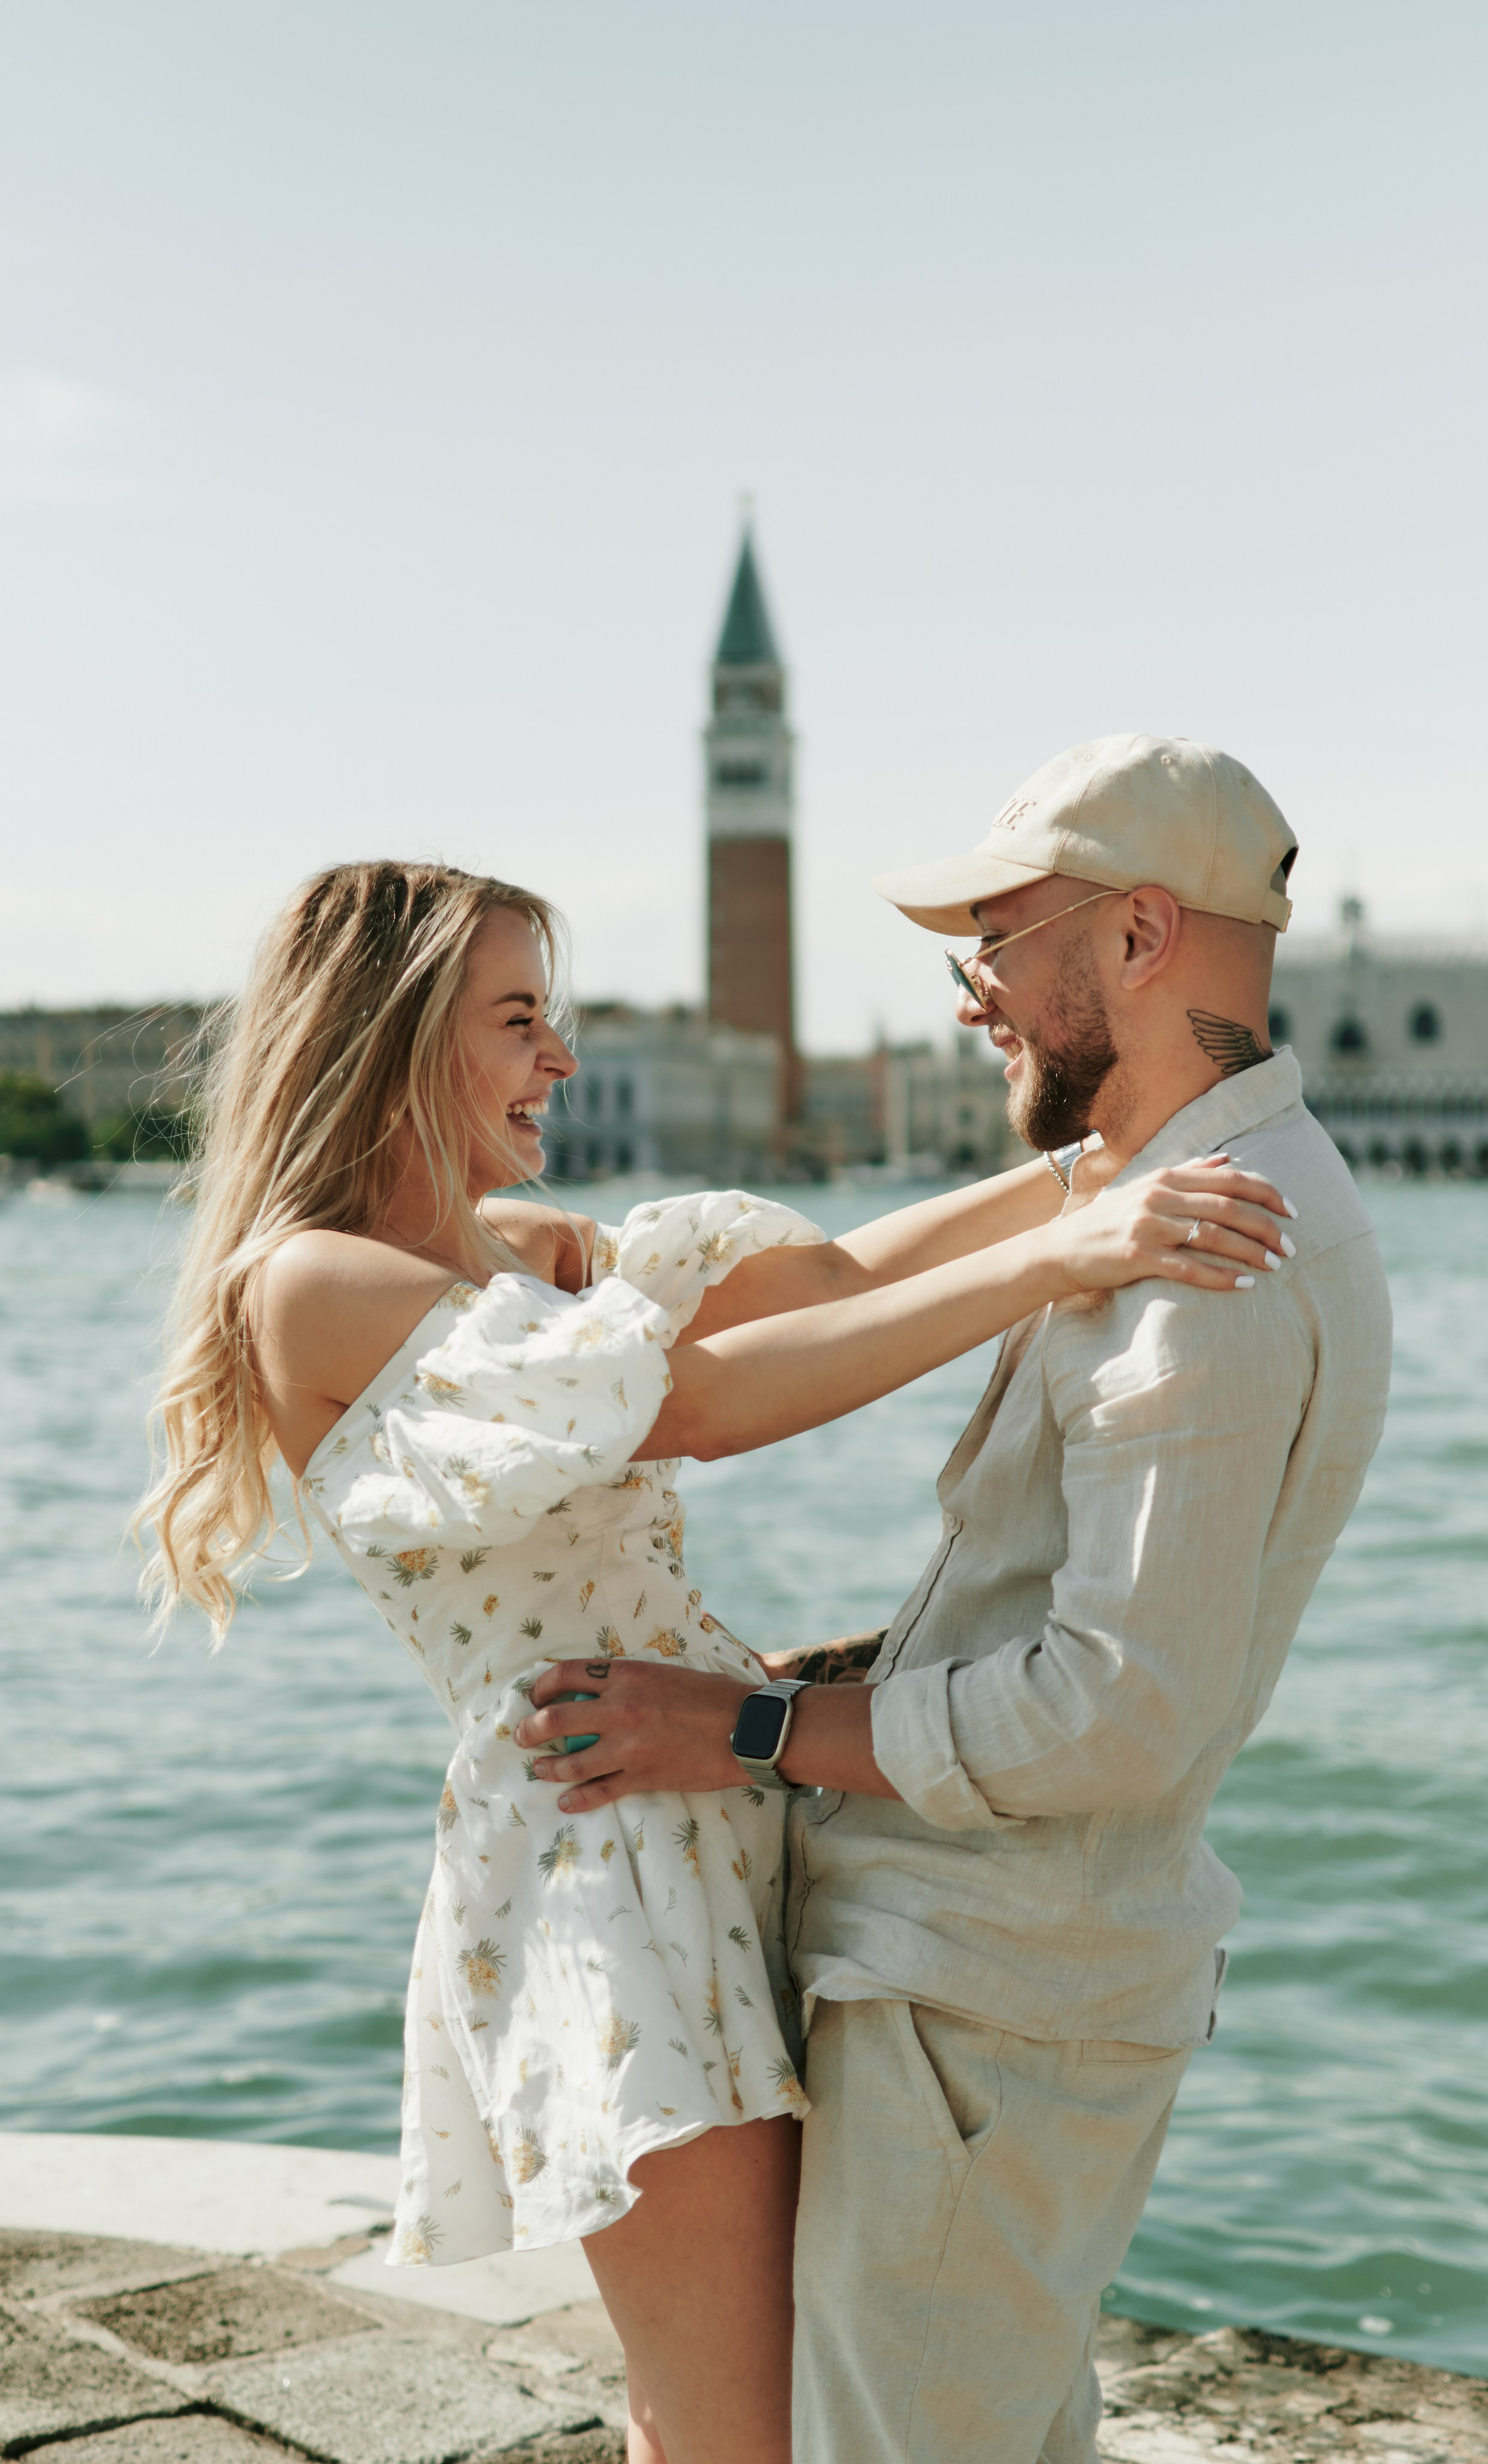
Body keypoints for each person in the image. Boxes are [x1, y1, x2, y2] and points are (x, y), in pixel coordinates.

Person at [135, 853, 1291, 2464]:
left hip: (704, 1799)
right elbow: (694, 1407)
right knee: (732, 2426)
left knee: (790, 2394)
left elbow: (816, 1288)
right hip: (605, 1852)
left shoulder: (508, 1246)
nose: (561, 1060)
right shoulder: (311, 1283)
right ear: (394, 1036)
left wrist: (1101, 1166)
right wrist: (1061, 1261)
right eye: (519, 1019)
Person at [515, 735, 1393, 2464]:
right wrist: (830, 1673)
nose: (972, 997)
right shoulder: (1172, 1198)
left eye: (997, 942)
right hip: (1002, 1982)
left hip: (999, 1992)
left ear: (1138, 939)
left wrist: (752, 1731)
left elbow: (1116, 1709)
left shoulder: (1205, 1265)